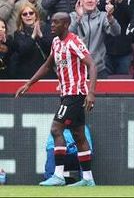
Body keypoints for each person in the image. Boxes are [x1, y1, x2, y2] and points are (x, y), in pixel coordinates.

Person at [15, 12, 97, 187]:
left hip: (75, 94)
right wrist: (29, 84)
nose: (52, 25)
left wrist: (91, 92)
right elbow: (47, 65)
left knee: (56, 128)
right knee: (79, 135)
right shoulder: (56, 42)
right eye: (51, 22)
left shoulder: (74, 42)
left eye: (56, 22)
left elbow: (92, 64)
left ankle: (58, 175)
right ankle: (88, 179)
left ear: (66, 24)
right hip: (66, 94)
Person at [69, 0, 121, 78]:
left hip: (98, 68)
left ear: (97, 1)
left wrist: (110, 17)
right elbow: (68, 36)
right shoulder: (73, 16)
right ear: (81, 1)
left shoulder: (103, 16)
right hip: (77, 67)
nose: (90, 0)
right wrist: (79, 18)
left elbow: (116, 32)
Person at [10, 3, 55, 79]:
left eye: (31, 13)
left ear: (36, 15)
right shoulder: (18, 33)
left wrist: (40, 35)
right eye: (24, 14)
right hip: (27, 74)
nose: (28, 15)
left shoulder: (46, 28)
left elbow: (52, 47)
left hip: (46, 72)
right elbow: (23, 50)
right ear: (21, 18)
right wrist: (33, 36)